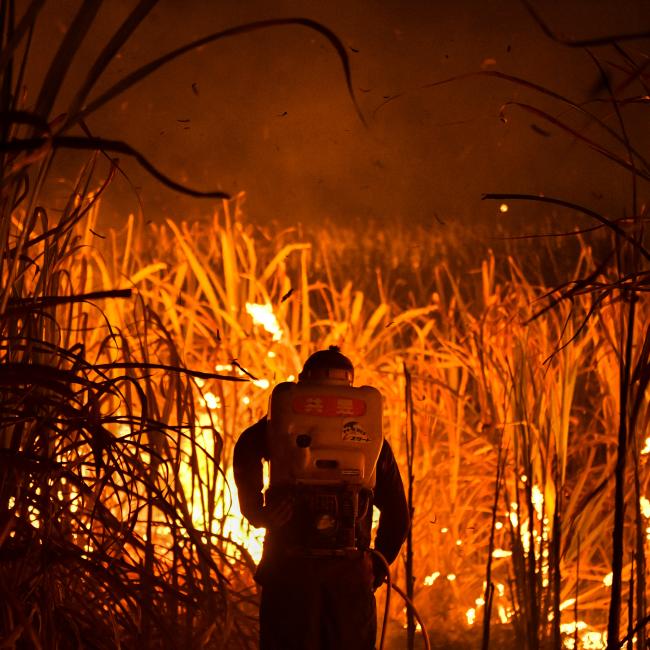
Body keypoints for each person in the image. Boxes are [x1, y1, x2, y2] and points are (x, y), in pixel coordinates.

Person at [233, 346, 410, 650]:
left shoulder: (270, 430)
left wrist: (260, 514)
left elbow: (246, 455)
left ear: (302, 383)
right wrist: (375, 566)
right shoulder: (371, 441)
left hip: (289, 569)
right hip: (348, 572)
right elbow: (398, 515)